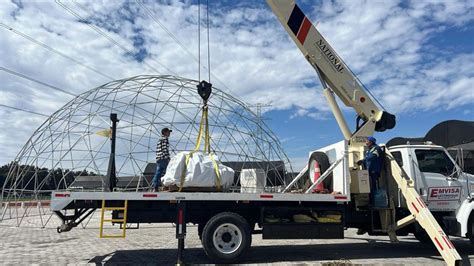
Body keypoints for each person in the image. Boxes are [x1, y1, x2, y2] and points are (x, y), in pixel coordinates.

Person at [151, 127, 172, 191]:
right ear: (165, 132)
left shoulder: (159, 139)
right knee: (168, 171)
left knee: (158, 172)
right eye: (168, 132)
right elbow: (165, 149)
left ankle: (155, 186)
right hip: (163, 158)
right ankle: (167, 186)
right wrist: (168, 158)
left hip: (158, 158)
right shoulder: (165, 139)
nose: (169, 134)